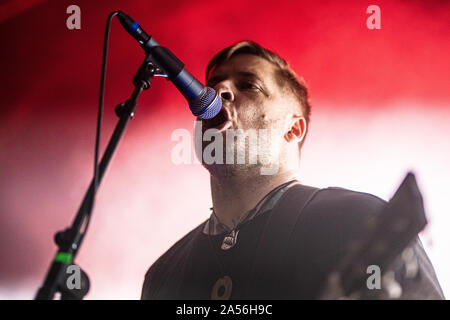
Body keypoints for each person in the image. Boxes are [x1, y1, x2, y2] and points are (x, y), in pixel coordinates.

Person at [141, 41, 444, 300]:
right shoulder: (164, 274)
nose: (218, 91)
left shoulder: (357, 219)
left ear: (293, 128)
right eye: (213, 84)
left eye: (248, 85)